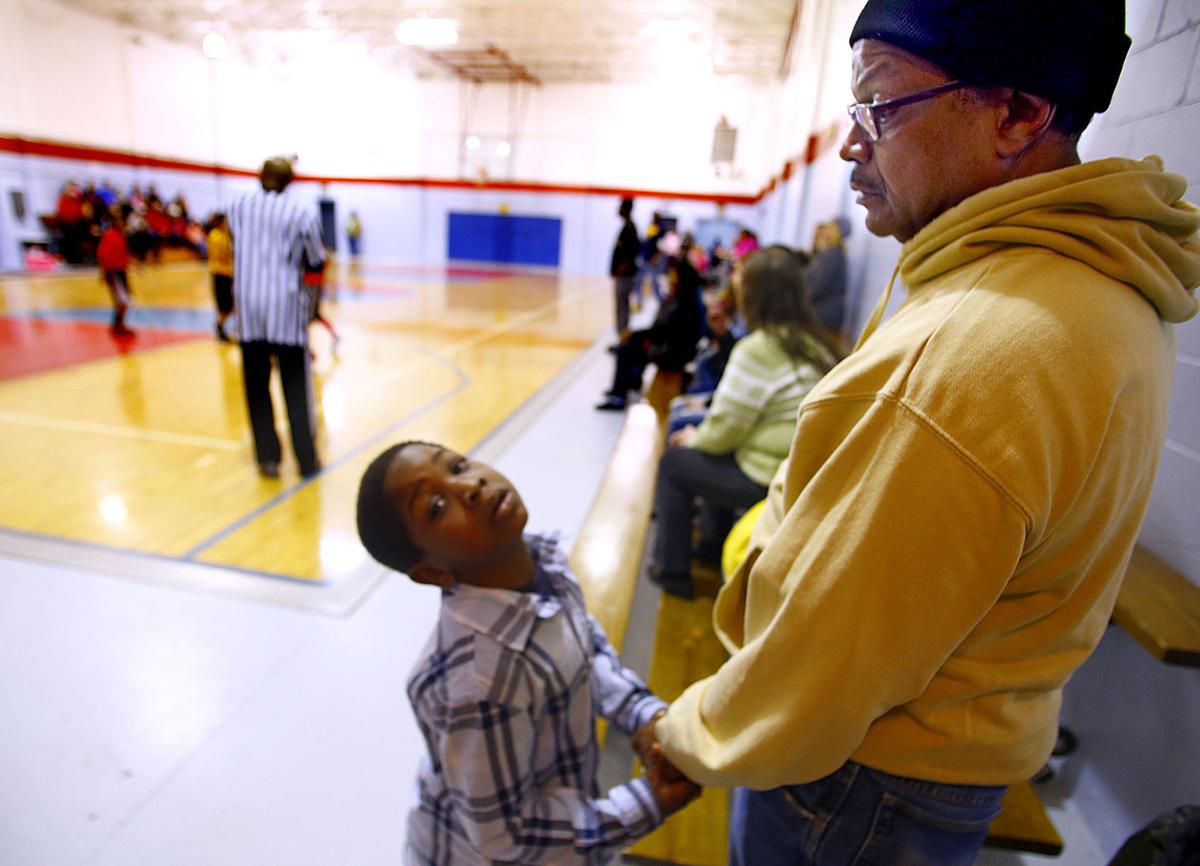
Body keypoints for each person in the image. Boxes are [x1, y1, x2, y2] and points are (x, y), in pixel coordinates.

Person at [643, 1, 1200, 864]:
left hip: (858, 783)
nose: (851, 144)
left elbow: (827, 660)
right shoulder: (1099, 281)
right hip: (942, 764)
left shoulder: (983, 348)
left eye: (879, 104)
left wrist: (689, 735)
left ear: (1015, 112)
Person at [354, 441, 700, 865]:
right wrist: (647, 803)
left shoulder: (537, 562)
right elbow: (506, 837)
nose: (472, 485)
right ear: (432, 572)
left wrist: (644, 717)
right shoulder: (479, 684)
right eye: (437, 506)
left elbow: (583, 647)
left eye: (459, 465)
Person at [649, 245, 843, 599]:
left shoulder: (759, 347)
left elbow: (723, 432)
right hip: (800, 474)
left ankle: (671, 571)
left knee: (676, 464)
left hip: (767, 477)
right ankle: (711, 547)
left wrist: (693, 438)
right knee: (714, 454)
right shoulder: (815, 344)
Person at [226, 156, 327, 479]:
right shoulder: (301, 212)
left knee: (256, 390)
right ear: (290, 181)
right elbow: (315, 261)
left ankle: (268, 459)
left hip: (249, 313)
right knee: (296, 389)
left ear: (259, 176)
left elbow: (236, 247)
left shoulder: (237, 207)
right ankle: (305, 460)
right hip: (286, 313)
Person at [595, 255, 703, 411]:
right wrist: (636, 334)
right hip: (665, 344)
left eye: (673, 273)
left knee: (625, 350)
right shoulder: (678, 299)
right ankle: (629, 383)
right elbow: (660, 329)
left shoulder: (683, 305)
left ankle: (618, 396)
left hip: (670, 352)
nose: (669, 277)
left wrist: (640, 337)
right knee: (628, 344)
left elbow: (664, 332)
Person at [805, 217, 850, 335]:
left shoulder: (831, 256)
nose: (824, 231)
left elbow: (816, 288)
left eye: (829, 228)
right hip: (826, 315)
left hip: (823, 316)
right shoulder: (832, 254)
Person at [96, 210, 134, 337]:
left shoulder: (120, 236)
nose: (122, 224)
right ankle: (118, 325)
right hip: (114, 271)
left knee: (125, 299)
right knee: (122, 300)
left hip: (121, 271)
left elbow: (123, 254)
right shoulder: (109, 236)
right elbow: (103, 255)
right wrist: (104, 272)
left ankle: (119, 324)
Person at [609, 198, 640, 336]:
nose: (619, 209)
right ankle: (622, 334)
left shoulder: (630, 228)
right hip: (623, 273)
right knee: (622, 304)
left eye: (621, 206)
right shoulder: (626, 227)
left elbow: (633, 250)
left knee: (622, 305)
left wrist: (622, 267)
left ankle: (623, 334)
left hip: (625, 274)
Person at [206, 213, 234, 342]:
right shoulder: (215, 235)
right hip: (220, 274)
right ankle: (219, 327)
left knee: (231, 305)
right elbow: (223, 253)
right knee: (224, 305)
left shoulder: (225, 235)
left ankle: (224, 327)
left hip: (228, 273)